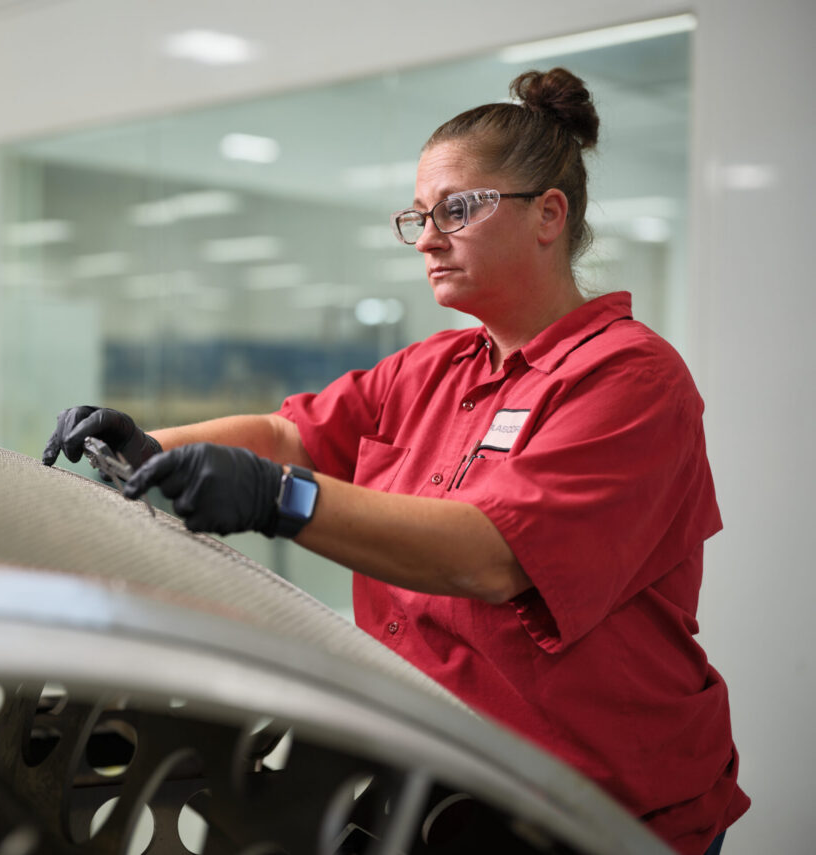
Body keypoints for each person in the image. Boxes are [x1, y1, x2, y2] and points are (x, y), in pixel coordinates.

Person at [42, 68, 748, 855]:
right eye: (419, 216)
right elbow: (287, 436)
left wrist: (281, 499)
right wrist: (147, 449)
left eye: (457, 209)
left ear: (549, 214)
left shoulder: (631, 379)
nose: (429, 238)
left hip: (595, 807)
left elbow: (490, 556)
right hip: (439, 771)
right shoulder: (436, 366)